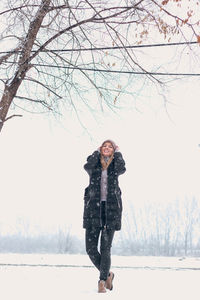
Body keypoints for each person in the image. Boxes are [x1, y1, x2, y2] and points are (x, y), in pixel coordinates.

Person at [83, 139, 126, 293]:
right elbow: (86, 166)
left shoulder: (115, 166)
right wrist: (95, 152)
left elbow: (123, 168)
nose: (107, 148)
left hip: (111, 210)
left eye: (110, 147)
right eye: (104, 146)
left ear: (113, 151)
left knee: (105, 248)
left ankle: (102, 281)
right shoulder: (93, 165)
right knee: (90, 249)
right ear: (100, 149)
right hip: (93, 210)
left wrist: (119, 153)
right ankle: (108, 274)